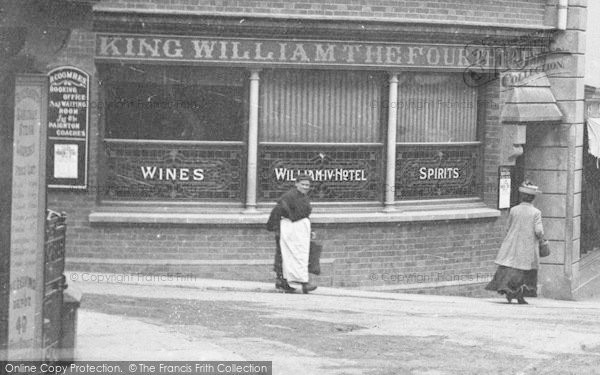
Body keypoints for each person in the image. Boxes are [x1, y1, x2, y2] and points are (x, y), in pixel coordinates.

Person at [485, 181, 544, 304]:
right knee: (525, 270)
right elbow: (539, 231)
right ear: (533, 198)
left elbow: (508, 227)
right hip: (527, 246)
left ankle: (510, 291)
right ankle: (520, 295)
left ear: (522, 197)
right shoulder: (536, 213)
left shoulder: (513, 210)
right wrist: (542, 238)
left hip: (512, 244)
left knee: (510, 267)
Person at [266, 174, 317, 294]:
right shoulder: (289, 197)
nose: (305, 187)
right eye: (303, 184)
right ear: (296, 183)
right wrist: (276, 228)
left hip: (300, 231)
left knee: (297, 255)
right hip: (289, 230)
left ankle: (287, 282)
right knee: (288, 255)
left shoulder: (303, 197)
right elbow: (278, 211)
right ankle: (291, 282)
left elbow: (305, 215)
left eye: (307, 185)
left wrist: (310, 230)